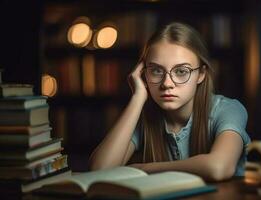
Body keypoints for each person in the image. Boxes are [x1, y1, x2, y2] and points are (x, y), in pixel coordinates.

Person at [89, 22, 250, 181]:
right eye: (157, 71)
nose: (167, 83)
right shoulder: (144, 117)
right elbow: (99, 170)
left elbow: (219, 168)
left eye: (181, 71)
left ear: (201, 74)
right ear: (143, 74)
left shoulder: (228, 109)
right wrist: (137, 98)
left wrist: (143, 169)